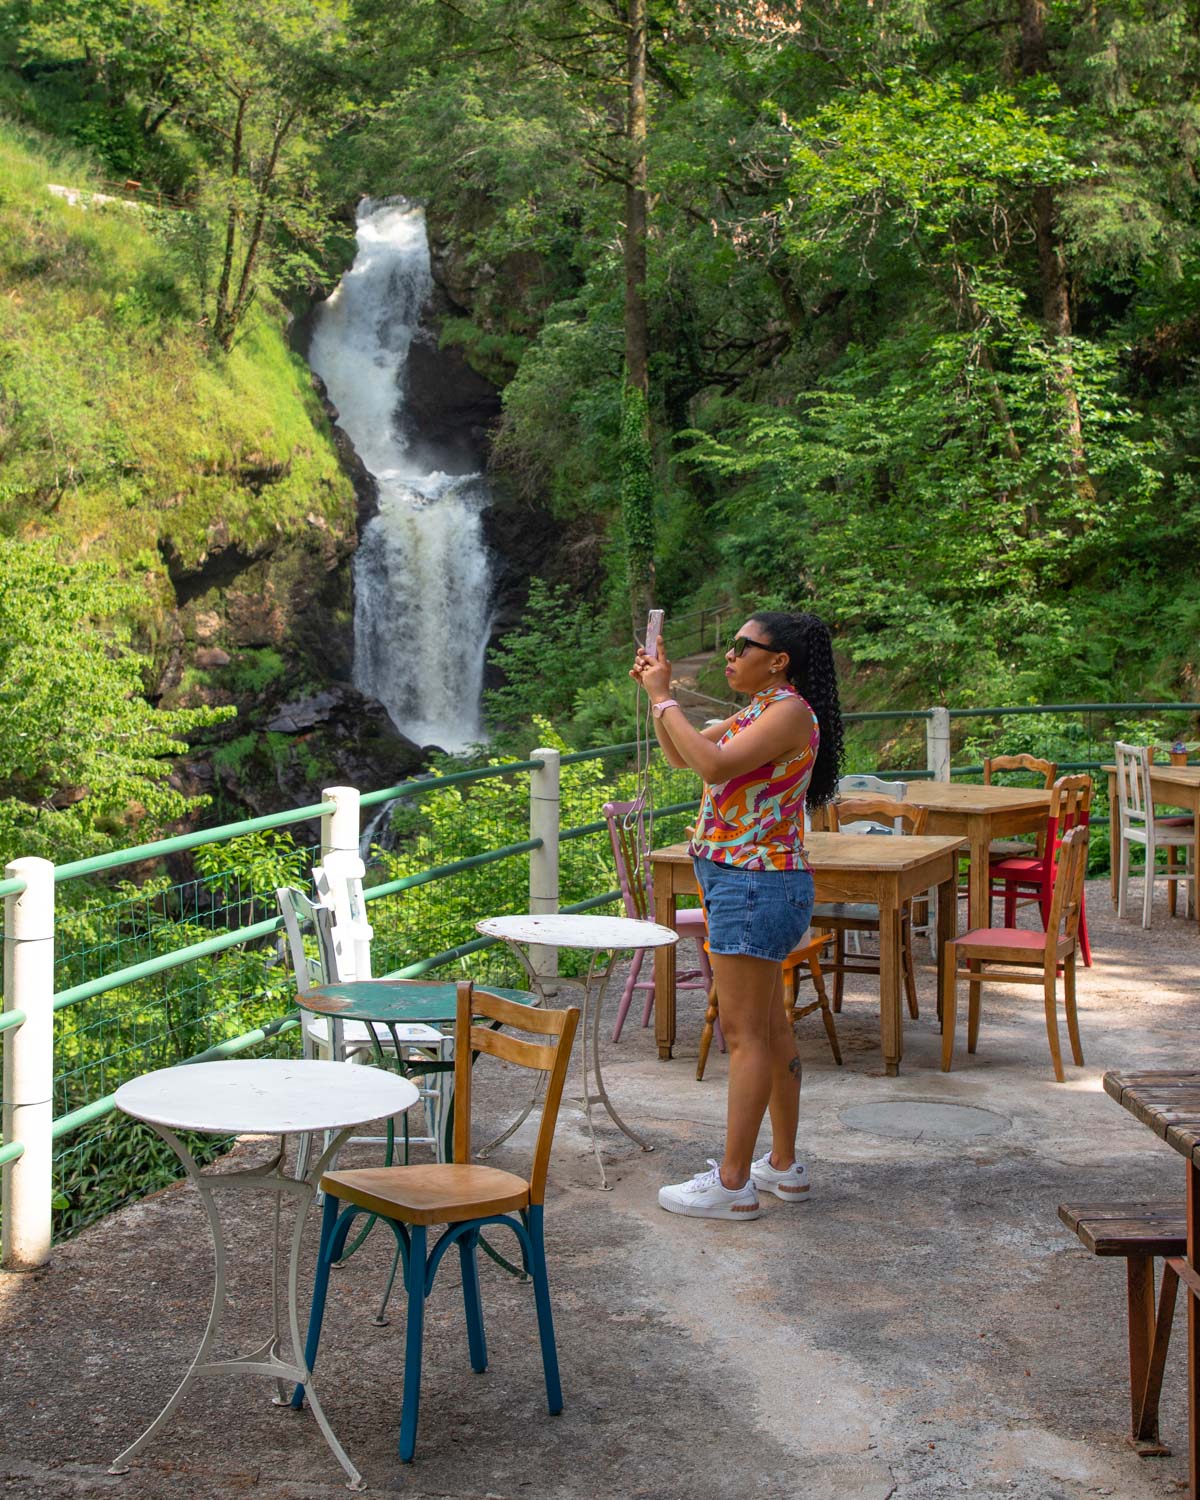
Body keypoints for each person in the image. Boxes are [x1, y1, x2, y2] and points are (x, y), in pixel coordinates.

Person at [630, 611, 844, 1221]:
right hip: (749, 881)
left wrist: (666, 695)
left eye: (742, 646)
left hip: (753, 883)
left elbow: (715, 768)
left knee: (745, 1035)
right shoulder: (760, 710)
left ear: (778, 660)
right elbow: (685, 757)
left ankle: (731, 1185)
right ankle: (781, 1166)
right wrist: (658, 700)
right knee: (770, 1030)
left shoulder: (790, 712)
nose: (729, 654)